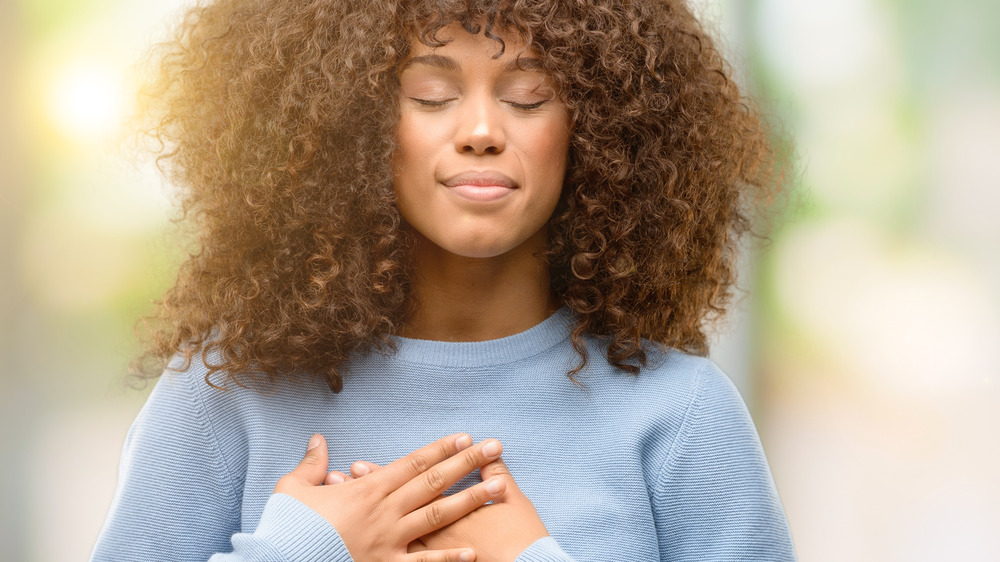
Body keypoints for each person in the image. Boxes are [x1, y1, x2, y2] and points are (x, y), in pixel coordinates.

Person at [92, 0, 796, 560]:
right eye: (430, 95)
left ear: (601, 127)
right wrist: (304, 553)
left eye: (528, 96)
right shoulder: (225, 392)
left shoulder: (683, 416)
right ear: (350, 120)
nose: (483, 129)